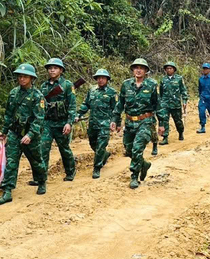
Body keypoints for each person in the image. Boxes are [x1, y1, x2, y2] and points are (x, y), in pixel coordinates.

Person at [0, 64, 48, 205]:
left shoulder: (38, 96)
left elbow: (39, 119)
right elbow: (9, 114)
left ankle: (42, 181)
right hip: (15, 133)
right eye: (20, 76)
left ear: (31, 78)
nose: (22, 79)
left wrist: (30, 134)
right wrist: (5, 131)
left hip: (31, 135)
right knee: (11, 161)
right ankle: (7, 191)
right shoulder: (13, 93)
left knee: (36, 160)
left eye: (25, 76)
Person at [112, 58, 167, 189]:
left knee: (137, 149)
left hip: (146, 122)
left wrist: (162, 123)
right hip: (130, 122)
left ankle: (134, 177)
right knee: (129, 150)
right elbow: (120, 104)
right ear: (132, 70)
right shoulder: (126, 85)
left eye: (141, 68)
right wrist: (115, 120)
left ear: (146, 71)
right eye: (136, 67)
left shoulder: (152, 85)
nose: (138, 70)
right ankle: (144, 164)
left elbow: (158, 104)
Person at [39, 58, 77, 182]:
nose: (52, 70)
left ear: (60, 70)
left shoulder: (67, 85)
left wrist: (69, 123)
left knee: (64, 149)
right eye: (50, 68)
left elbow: (72, 105)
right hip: (48, 123)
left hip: (62, 122)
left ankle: (70, 172)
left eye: (55, 68)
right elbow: (40, 106)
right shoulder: (43, 86)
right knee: (43, 149)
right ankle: (41, 177)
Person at [76, 69, 117, 179]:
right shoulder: (92, 90)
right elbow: (86, 104)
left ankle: (97, 167)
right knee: (92, 144)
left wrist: (114, 121)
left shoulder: (112, 93)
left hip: (104, 124)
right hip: (93, 123)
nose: (100, 80)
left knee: (100, 147)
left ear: (107, 79)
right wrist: (79, 114)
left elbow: (115, 109)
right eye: (98, 78)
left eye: (103, 78)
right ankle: (104, 155)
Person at [159, 61, 189, 144]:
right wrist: (160, 103)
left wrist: (185, 100)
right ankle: (165, 137)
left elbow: (183, 90)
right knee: (164, 120)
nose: (169, 70)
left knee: (178, 120)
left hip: (176, 104)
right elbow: (161, 92)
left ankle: (180, 132)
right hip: (165, 104)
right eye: (167, 68)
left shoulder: (179, 79)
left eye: (170, 68)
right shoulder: (163, 80)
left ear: (174, 69)